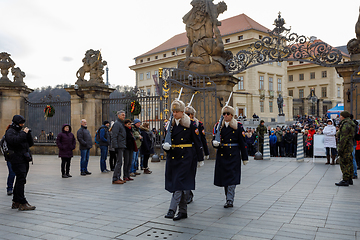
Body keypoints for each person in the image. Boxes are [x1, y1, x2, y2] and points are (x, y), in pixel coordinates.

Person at [163, 100, 203, 221]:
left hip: (186, 157)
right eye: (173, 112)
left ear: (182, 112)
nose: (174, 114)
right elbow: (166, 138)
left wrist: (200, 158)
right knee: (180, 184)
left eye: (177, 112)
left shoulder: (190, 124)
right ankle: (183, 211)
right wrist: (166, 146)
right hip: (173, 157)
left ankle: (172, 209)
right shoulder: (170, 125)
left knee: (179, 184)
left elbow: (197, 142)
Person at [212, 105, 248, 208]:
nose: (225, 116)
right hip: (222, 154)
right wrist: (214, 143)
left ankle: (229, 200)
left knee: (232, 178)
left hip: (233, 155)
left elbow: (243, 143)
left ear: (232, 115)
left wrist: (244, 157)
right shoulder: (218, 126)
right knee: (225, 179)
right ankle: (228, 197)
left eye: (228, 114)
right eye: (224, 114)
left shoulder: (238, 126)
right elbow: (214, 138)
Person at [5, 115, 35, 211]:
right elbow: (14, 141)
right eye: (21, 123)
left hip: (24, 158)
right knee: (21, 180)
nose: (22, 125)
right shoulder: (10, 131)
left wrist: (28, 134)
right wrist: (23, 133)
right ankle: (22, 202)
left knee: (20, 180)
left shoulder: (20, 131)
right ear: (16, 123)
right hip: (16, 159)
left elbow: (30, 144)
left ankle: (16, 201)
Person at [335, 111, 356, 186]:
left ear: (343, 116)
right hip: (349, 145)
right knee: (349, 162)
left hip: (345, 147)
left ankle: (345, 180)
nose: (339, 117)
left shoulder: (346, 124)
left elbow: (343, 138)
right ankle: (349, 178)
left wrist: (340, 148)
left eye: (340, 116)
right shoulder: (350, 123)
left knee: (344, 163)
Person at [111, 110, 127, 184]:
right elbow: (114, 135)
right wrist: (115, 146)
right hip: (119, 145)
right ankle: (115, 178)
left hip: (121, 145)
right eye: (122, 115)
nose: (124, 116)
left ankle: (118, 177)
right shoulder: (117, 124)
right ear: (118, 115)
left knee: (120, 162)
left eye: (124, 115)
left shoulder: (121, 124)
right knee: (119, 162)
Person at [4, 124, 15, 196]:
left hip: (14, 157)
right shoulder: (6, 137)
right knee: (12, 173)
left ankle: (11, 188)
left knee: (13, 173)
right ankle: (9, 188)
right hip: (10, 157)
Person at [350, 114, 358, 179]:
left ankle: (354, 173)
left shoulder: (352, 125)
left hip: (351, 143)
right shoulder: (354, 124)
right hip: (353, 143)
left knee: (352, 158)